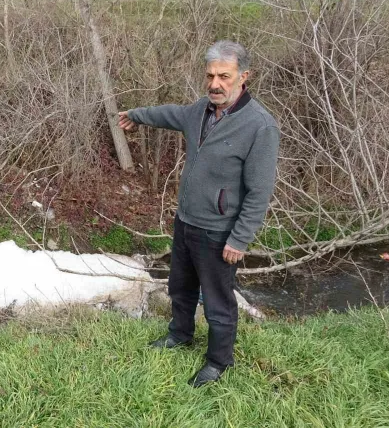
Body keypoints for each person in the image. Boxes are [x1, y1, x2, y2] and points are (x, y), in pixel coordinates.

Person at [118, 40, 280, 387]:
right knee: (180, 287)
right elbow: (168, 113)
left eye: (224, 76)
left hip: (220, 232)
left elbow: (259, 191)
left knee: (219, 302)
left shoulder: (259, 126)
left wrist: (240, 238)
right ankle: (180, 334)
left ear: (243, 77)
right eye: (210, 75)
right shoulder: (199, 112)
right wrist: (134, 115)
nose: (215, 84)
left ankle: (219, 361)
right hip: (186, 222)